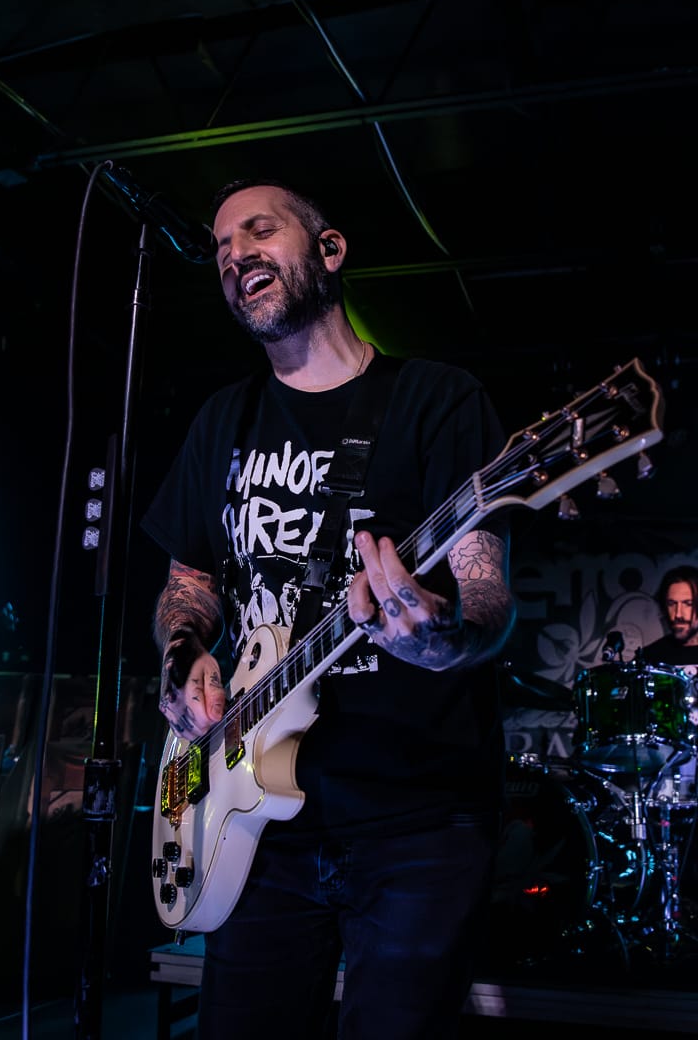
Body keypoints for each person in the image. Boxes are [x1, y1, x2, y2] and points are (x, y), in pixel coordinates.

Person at [140, 177, 516, 1039]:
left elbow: (488, 591)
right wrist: (181, 653)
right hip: (256, 826)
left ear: (330, 250)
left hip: (417, 820)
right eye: (221, 248)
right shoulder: (223, 421)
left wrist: (444, 636)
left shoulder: (437, 401)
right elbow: (188, 582)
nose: (235, 256)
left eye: (258, 231)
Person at [640, 564, 698, 901]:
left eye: (688, 604)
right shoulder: (652, 657)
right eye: (672, 604)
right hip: (665, 786)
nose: (678, 614)